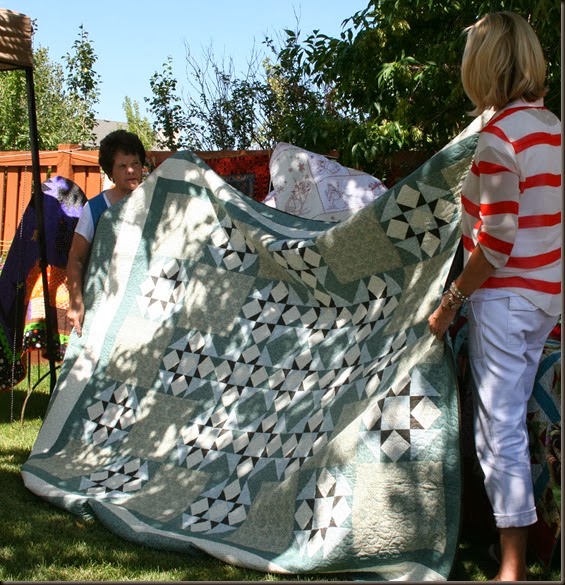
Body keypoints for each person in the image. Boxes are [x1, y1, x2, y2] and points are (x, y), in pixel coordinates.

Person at [427, 12, 561, 582]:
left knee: (498, 432)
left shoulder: (499, 137)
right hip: (544, 300)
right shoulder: (551, 127)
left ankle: (512, 569)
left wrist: (449, 303)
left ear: (483, 66)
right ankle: (511, 553)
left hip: (505, 302)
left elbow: (497, 241)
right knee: (510, 423)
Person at [66, 130, 146, 337]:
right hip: (104, 304)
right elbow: (76, 258)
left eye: (135, 163)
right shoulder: (96, 209)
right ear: (111, 172)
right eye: (122, 166)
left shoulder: (154, 206)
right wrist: (76, 301)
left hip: (143, 305)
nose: (130, 170)